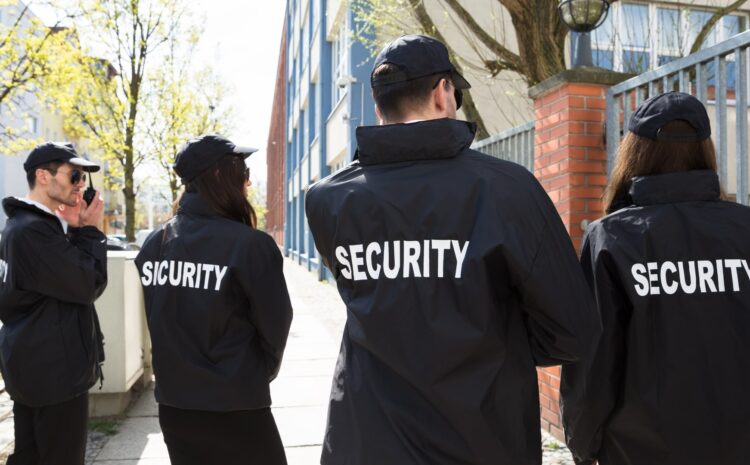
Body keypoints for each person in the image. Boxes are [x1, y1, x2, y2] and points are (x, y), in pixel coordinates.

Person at [305, 34, 599, 465]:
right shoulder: (508, 189)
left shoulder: (327, 199)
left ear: (376, 103)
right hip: (482, 440)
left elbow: (375, 297)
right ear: (444, 93)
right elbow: (572, 328)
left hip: (365, 441)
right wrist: (496, 339)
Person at [561, 91, 750, 465]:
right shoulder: (744, 229)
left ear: (634, 152)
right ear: (705, 150)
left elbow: (593, 362)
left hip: (640, 448)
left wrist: (582, 444)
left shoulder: (612, 237)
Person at [135, 135, 293, 465]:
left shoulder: (154, 244)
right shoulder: (250, 246)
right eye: (242, 170)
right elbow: (275, 326)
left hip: (176, 406)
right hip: (235, 405)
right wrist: (255, 373)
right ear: (220, 176)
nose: (248, 181)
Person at [0, 142, 106, 465]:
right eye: (74, 175)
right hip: (53, 378)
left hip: (36, 369)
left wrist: (74, 231)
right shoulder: (33, 232)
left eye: (83, 179)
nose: (80, 186)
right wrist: (89, 230)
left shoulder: (23, 227)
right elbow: (88, 283)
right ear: (43, 177)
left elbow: (59, 285)